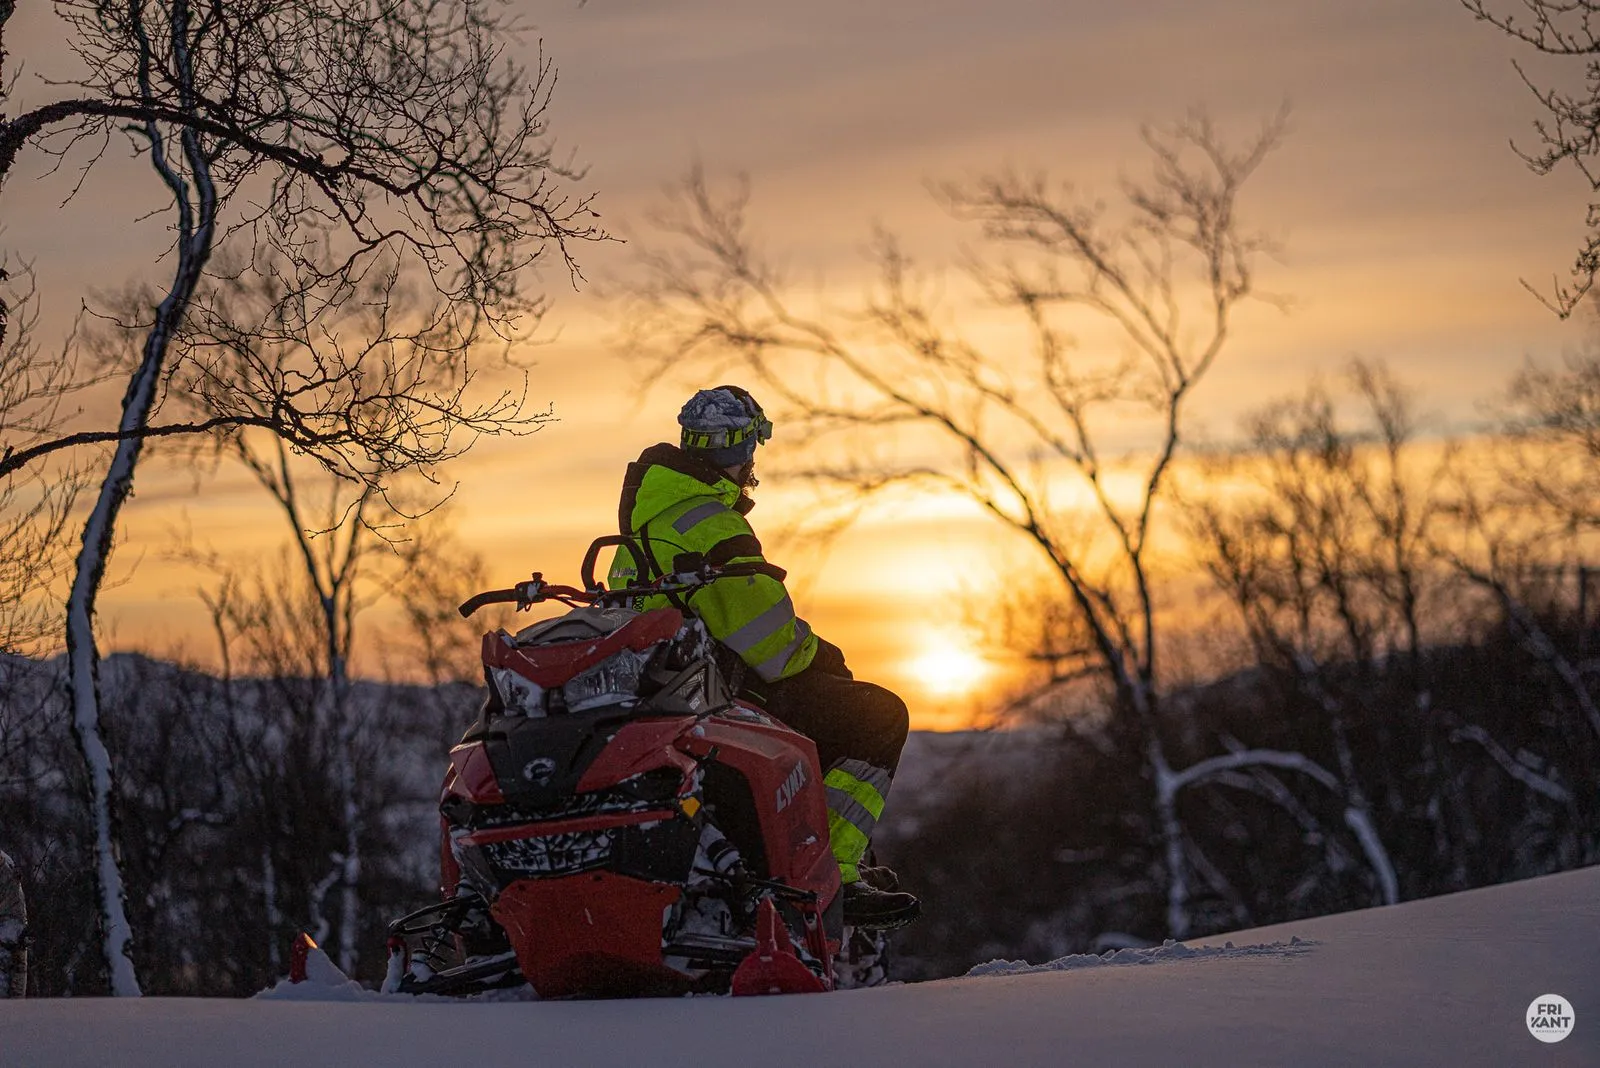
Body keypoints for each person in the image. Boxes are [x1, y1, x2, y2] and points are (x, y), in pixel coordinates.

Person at [607, 385, 921, 930]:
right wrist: (824, 654)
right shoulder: (709, 522)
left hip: (666, 695)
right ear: (740, 449)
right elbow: (772, 646)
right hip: (718, 694)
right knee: (879, 716)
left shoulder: (641, 525)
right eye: (751, 447)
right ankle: (833, 873)